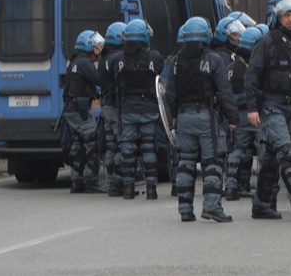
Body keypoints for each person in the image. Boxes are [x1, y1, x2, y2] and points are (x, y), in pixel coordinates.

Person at [244, 0, 291, 220]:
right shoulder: (266, 42)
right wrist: (252, 108)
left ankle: (261, 204)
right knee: (287, 152)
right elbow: (251, 75)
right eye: (287, 15)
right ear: (278, 17)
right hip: (271, 106)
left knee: (271, 159)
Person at [165, 19, 238, 222]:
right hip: (207, 116)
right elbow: (225, 91)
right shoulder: (213, 60)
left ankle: (185, 209)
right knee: (212, 161)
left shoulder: (175, 62)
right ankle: (212, 206)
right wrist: (232, 117)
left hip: (184, 117)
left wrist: (174, 117)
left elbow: (169, 93)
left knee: (186, 162)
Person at [108, 19, 165, 200]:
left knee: (128, 150)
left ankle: (128, 189)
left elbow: (113, 78)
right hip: (148, 109)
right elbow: (160, 71)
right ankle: (151, 189)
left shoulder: (118, 59)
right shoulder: (154, 57)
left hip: (127, 110)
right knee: (149, 149)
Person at [62, 30, 104, 194]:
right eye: (96, 46)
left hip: (71, 109)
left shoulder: (74, 62)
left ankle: (76, 181)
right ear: (88, 46)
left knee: (78, 145)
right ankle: (91, 181)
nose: (98, 50)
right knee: (92, 143)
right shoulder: (85, 63)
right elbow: (99, 79)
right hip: (80, 111)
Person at [224, 26, 263, 201]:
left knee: (238, 150)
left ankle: (231, 186)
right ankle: (263, 190)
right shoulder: (261, 68)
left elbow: (226, 93)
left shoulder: (231, 67)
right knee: (264, 151)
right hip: (258, 115)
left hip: (239, 116)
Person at [99, 21, 127, 197]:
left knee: (110, 145)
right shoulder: (118, 58)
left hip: (105, 105)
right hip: (116, 106)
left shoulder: (103, 58)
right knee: (122, 144)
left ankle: (111, 181)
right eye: (124, 36)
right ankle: (118, 181)